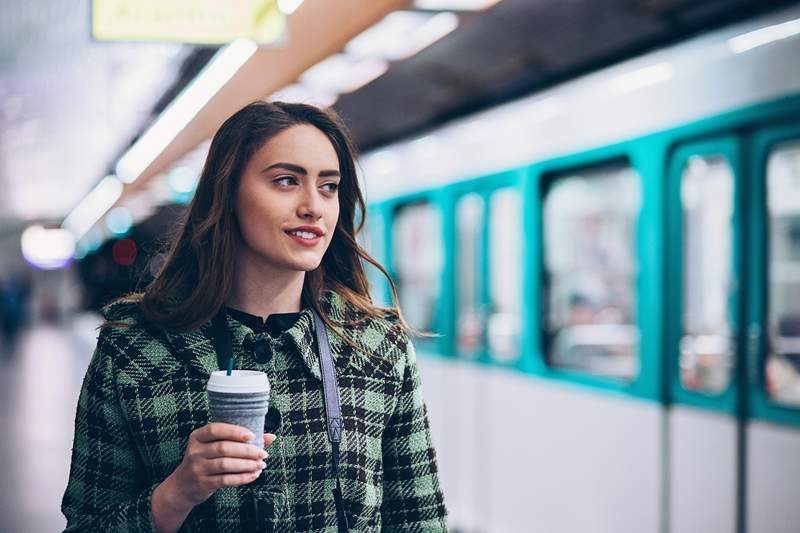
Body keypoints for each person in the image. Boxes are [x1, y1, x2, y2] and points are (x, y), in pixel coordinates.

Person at [61, 101, 448, 532]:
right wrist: (176, 494)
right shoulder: (135, 348)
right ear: (227, 194)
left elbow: (420, 521)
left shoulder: (377, 347)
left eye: (329, 186)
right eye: (286, 181)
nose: (313, 207)